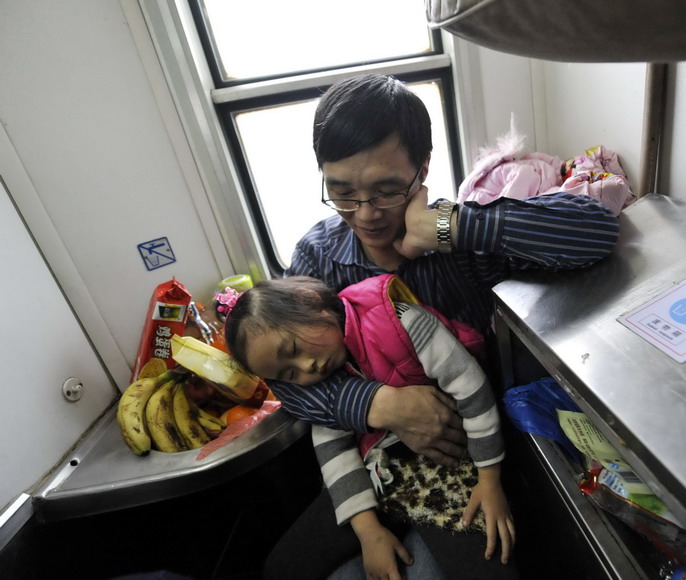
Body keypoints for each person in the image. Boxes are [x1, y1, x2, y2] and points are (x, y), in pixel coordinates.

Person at [277, 73, 622, 467]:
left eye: (386, 190)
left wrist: (450, 226)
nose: (366, 213)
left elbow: (597, 230)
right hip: (385, 454)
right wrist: (382, 405)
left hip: (492, 441)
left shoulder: (461, 246)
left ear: (422, 170)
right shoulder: (317, 256)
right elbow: (279, 375)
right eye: (341, 193)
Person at [224, 275, 518, 580]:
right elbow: (333, 449)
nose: (306, 368)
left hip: (451, 460)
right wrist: (368, 531)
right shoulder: (323, 374)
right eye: (289, 374)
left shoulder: (403, 322)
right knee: (282, 568)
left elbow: (473, 389)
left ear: (309, 302)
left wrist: (490, 480)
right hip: (379, 471)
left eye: (295, 348)